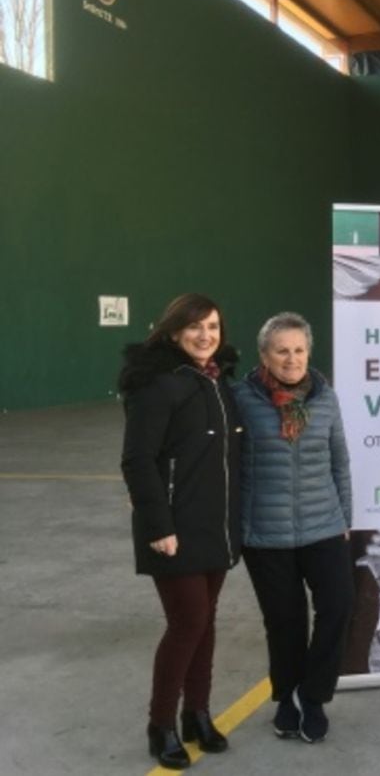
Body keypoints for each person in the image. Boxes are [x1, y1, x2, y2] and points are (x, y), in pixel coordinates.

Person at [119, 293, 242, 770]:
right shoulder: (159, 384)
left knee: (205, 622)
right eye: (194, 327)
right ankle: (161, 724)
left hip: (215, 526)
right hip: (173, 529)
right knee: (187, 622)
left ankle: (197, 714)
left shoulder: (215, 381)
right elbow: (137, 459)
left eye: (212, 326)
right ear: (173, 331)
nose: (205, 335)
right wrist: (158, 525)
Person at [233, 312, 353, 743]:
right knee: (284, 622)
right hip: (267, 533)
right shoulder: (241, 398)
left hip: (324, 525)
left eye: (299, 349)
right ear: (264, 355)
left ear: (309, 353)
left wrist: (345, 518)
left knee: (338, 607)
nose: (291, 358)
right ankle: (286, 698)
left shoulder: (325, 397)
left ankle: (313, 694)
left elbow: (339, 459)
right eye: (281, 350)